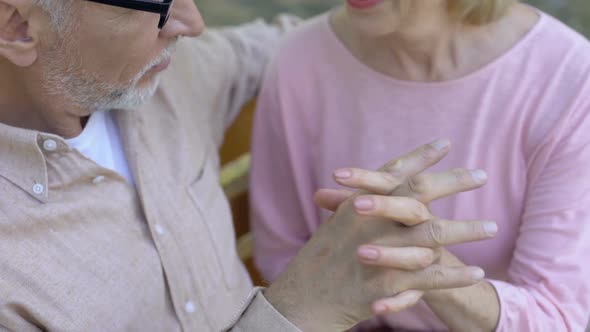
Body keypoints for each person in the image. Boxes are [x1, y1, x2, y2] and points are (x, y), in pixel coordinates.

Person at [0, 0, 498, 331]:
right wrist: (299, 310)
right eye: (156, 2)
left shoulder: (178, 75)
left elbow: (293, 41)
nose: (193, 23)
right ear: (18, 27)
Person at [250, 0, 590, 331]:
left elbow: (555, 318)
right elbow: (282, 259)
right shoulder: (300, 60)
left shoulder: (568, 79)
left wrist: (421, 261)